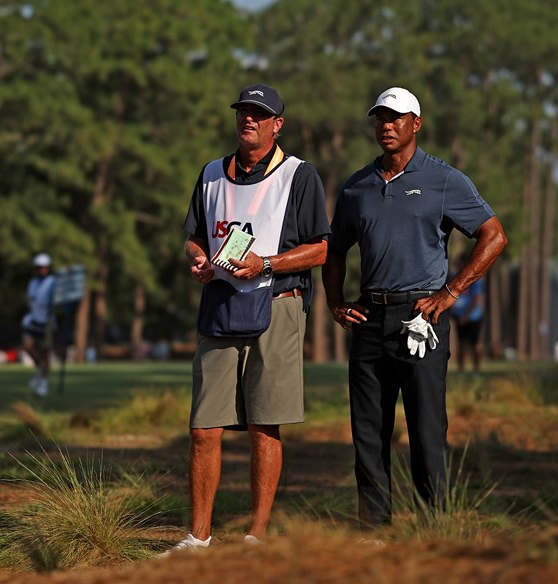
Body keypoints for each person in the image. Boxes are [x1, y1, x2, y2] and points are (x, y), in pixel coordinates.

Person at [322, 87, 508, 529]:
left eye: (396, 118)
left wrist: (451, 292)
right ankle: (374, 529)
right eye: (380, 118)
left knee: (427, 432)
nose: (386, 126)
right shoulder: (356, 186)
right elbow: (334, 251)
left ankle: (434, 526)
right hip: (369, 318)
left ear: (416, 124)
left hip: (422, 319)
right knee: (368, 432)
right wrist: (334, 302)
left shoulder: (444, 179)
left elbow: (494, 235)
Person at [164, 83, 329, 555]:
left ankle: (256, 535)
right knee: (203, 428)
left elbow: (320, 247)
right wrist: (197, 259)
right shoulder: (212, 173)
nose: (248, 120)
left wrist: (268, 263)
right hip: (218, 304)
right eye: (243, 112)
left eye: (260, 114)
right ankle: (198, 537)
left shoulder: (300, 175)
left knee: (264, 425)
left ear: (278, 124)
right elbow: (193, 235)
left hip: (276, 304)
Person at [21, 253, 57, 397]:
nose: (42, 270)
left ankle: (43, 384)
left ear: (48, 268)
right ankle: (40, 371)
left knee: (45, 352)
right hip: (33, 319)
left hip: (47, 321)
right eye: (39, 268)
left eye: (44, 267)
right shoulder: (33, 283)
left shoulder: (53, 282)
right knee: (27, 346)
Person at [449, 253, 486, 373]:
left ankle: (477, 370)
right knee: (461, 344)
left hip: (473, 317)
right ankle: (461, 370)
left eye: (458, 262)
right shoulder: (454, 277)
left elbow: (476, 300)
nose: (456, 264)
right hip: (459, 317)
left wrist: (466, 315)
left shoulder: (475, 278)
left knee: (475, 344)